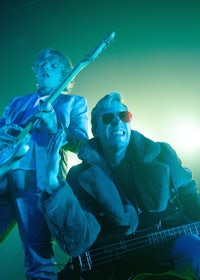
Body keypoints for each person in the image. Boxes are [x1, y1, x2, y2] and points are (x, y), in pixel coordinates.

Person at [39, 92, 200, 280]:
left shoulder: (163, 154)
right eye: (107, 118)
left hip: (172, 245)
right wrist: (53, 185)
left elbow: (188, 194)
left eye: (124, 116)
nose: (117, 122)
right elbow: (79, 240)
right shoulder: (81, 175)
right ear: (96, 130)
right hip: (117, 264)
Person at [0, 48, 89, 280]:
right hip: (3, 176)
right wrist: (2, 133)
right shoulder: (16, 102)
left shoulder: (73, 103)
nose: (44, 68)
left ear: (64, 74)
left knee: (38, 255)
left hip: (37, 182)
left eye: (52, 65)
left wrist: (54, 126)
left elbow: (82, 144)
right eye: (41, 65)